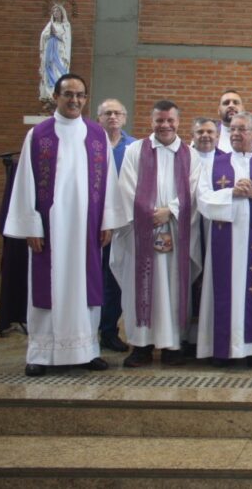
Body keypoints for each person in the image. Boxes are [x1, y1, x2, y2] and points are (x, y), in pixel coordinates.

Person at [5, 73, 124, 376]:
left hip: (88, 227)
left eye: (80, 95)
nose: (75, 100)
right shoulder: (39, 134)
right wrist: (32, 225)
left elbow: (109, 181)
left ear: (86, 99)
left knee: (87, 289)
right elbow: (26, 182)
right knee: (47, 288)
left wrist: (108, 219)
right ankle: (40, 354)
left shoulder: (97, 135)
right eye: (68, 94)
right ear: (56, 97)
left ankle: (87, 351)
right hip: (50, 228)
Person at [113, 100, 200, 368]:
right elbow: (126, 188)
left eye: (170, 120)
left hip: (177, 231)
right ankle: (141, 345)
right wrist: (150, 216)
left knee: (173, 289)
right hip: (141, 232)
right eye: (159, 121)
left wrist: (170, 212)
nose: (165, 125)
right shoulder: (135, 150)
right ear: (152, 122)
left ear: (178, 122)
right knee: (140, 287)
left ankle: (172, 345)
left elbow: (194, 191)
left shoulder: (190, 154)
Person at [196, 112, 252, 367]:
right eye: (232, 129)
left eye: (241, 129)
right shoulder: (214, 164)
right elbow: (202, 198)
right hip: (224, 240)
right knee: (223, 290)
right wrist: (230, 193)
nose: (235, 133)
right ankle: (221, 349)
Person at [96, 98, 136, 353]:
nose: (113, 117)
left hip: (121, 225)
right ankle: (86, 330)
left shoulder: (134, 147)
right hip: (90, 223)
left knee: (114, 278)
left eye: (117, 113)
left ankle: (109, 331)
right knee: (90, 278)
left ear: (124, 117)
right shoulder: (90, 144)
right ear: (99, 118)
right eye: (107, 113)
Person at [187, 117, 223, 355]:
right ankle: (186, 337)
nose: (206, 135)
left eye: (210, 131)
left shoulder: (226, 161)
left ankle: (209, 335)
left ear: (218, 135)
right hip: (186, 227)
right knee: (188, 279)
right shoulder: (183, 157)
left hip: (215, 229)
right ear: (192, 134)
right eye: (200, 131)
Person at [38, 3, 71, 105]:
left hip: (60, 52)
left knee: (58, 71)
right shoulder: (50, 24)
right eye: (54, 12)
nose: (55, 13)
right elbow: (43, 36)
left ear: (62, 13)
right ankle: (49, 94)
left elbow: (67, 39)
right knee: (49, 70)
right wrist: (49, 33)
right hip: (49, 51)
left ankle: (59, 91)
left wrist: (56, 34)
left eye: (57, 11)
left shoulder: (65, 25)